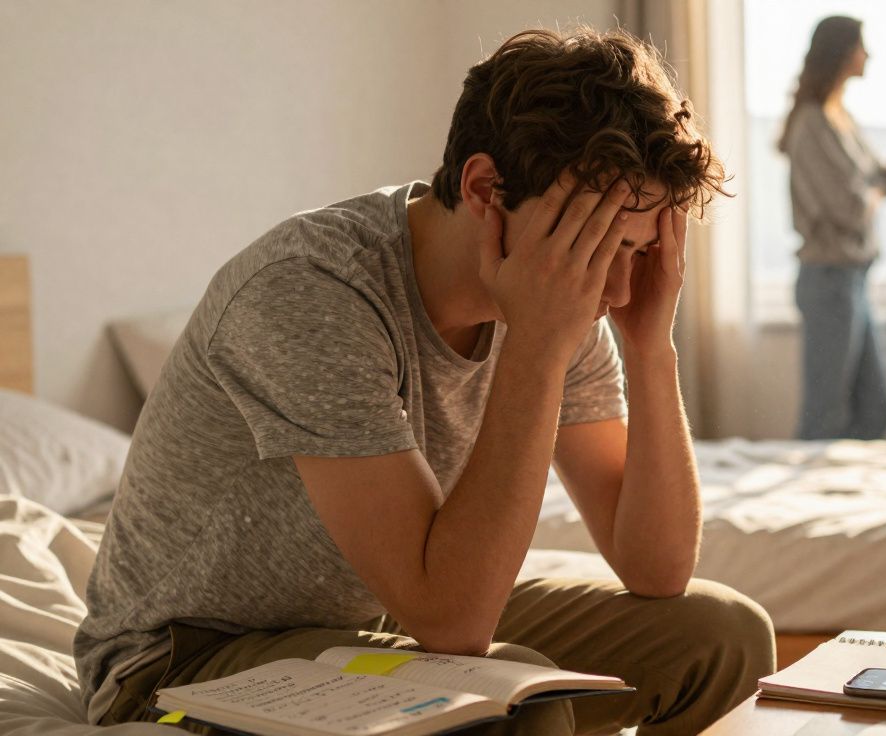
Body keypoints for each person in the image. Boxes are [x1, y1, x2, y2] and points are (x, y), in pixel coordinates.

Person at [74, 28, 775, 735]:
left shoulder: (568, 292)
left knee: (722, 636)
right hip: (183, 662)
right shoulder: (311, 289)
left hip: (378, 616)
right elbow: (453, 621)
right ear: (484, 189)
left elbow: (656, 569)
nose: (617, 287)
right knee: (512, 711)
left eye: (637, 249)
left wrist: (652, 346)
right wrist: (536, 346)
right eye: (595, 246)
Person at [780, 15, 886, 441]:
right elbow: (851, 208)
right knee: (824, 417)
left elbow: (883, 183)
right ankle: (814, 502)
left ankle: (851, 496)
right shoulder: (811, 123)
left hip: (853, 280)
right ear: (843, 53)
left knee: (876, 411)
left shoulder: (840, 118)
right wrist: (868, 194)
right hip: (828, 281)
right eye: (861, 46)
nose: (868, 54)